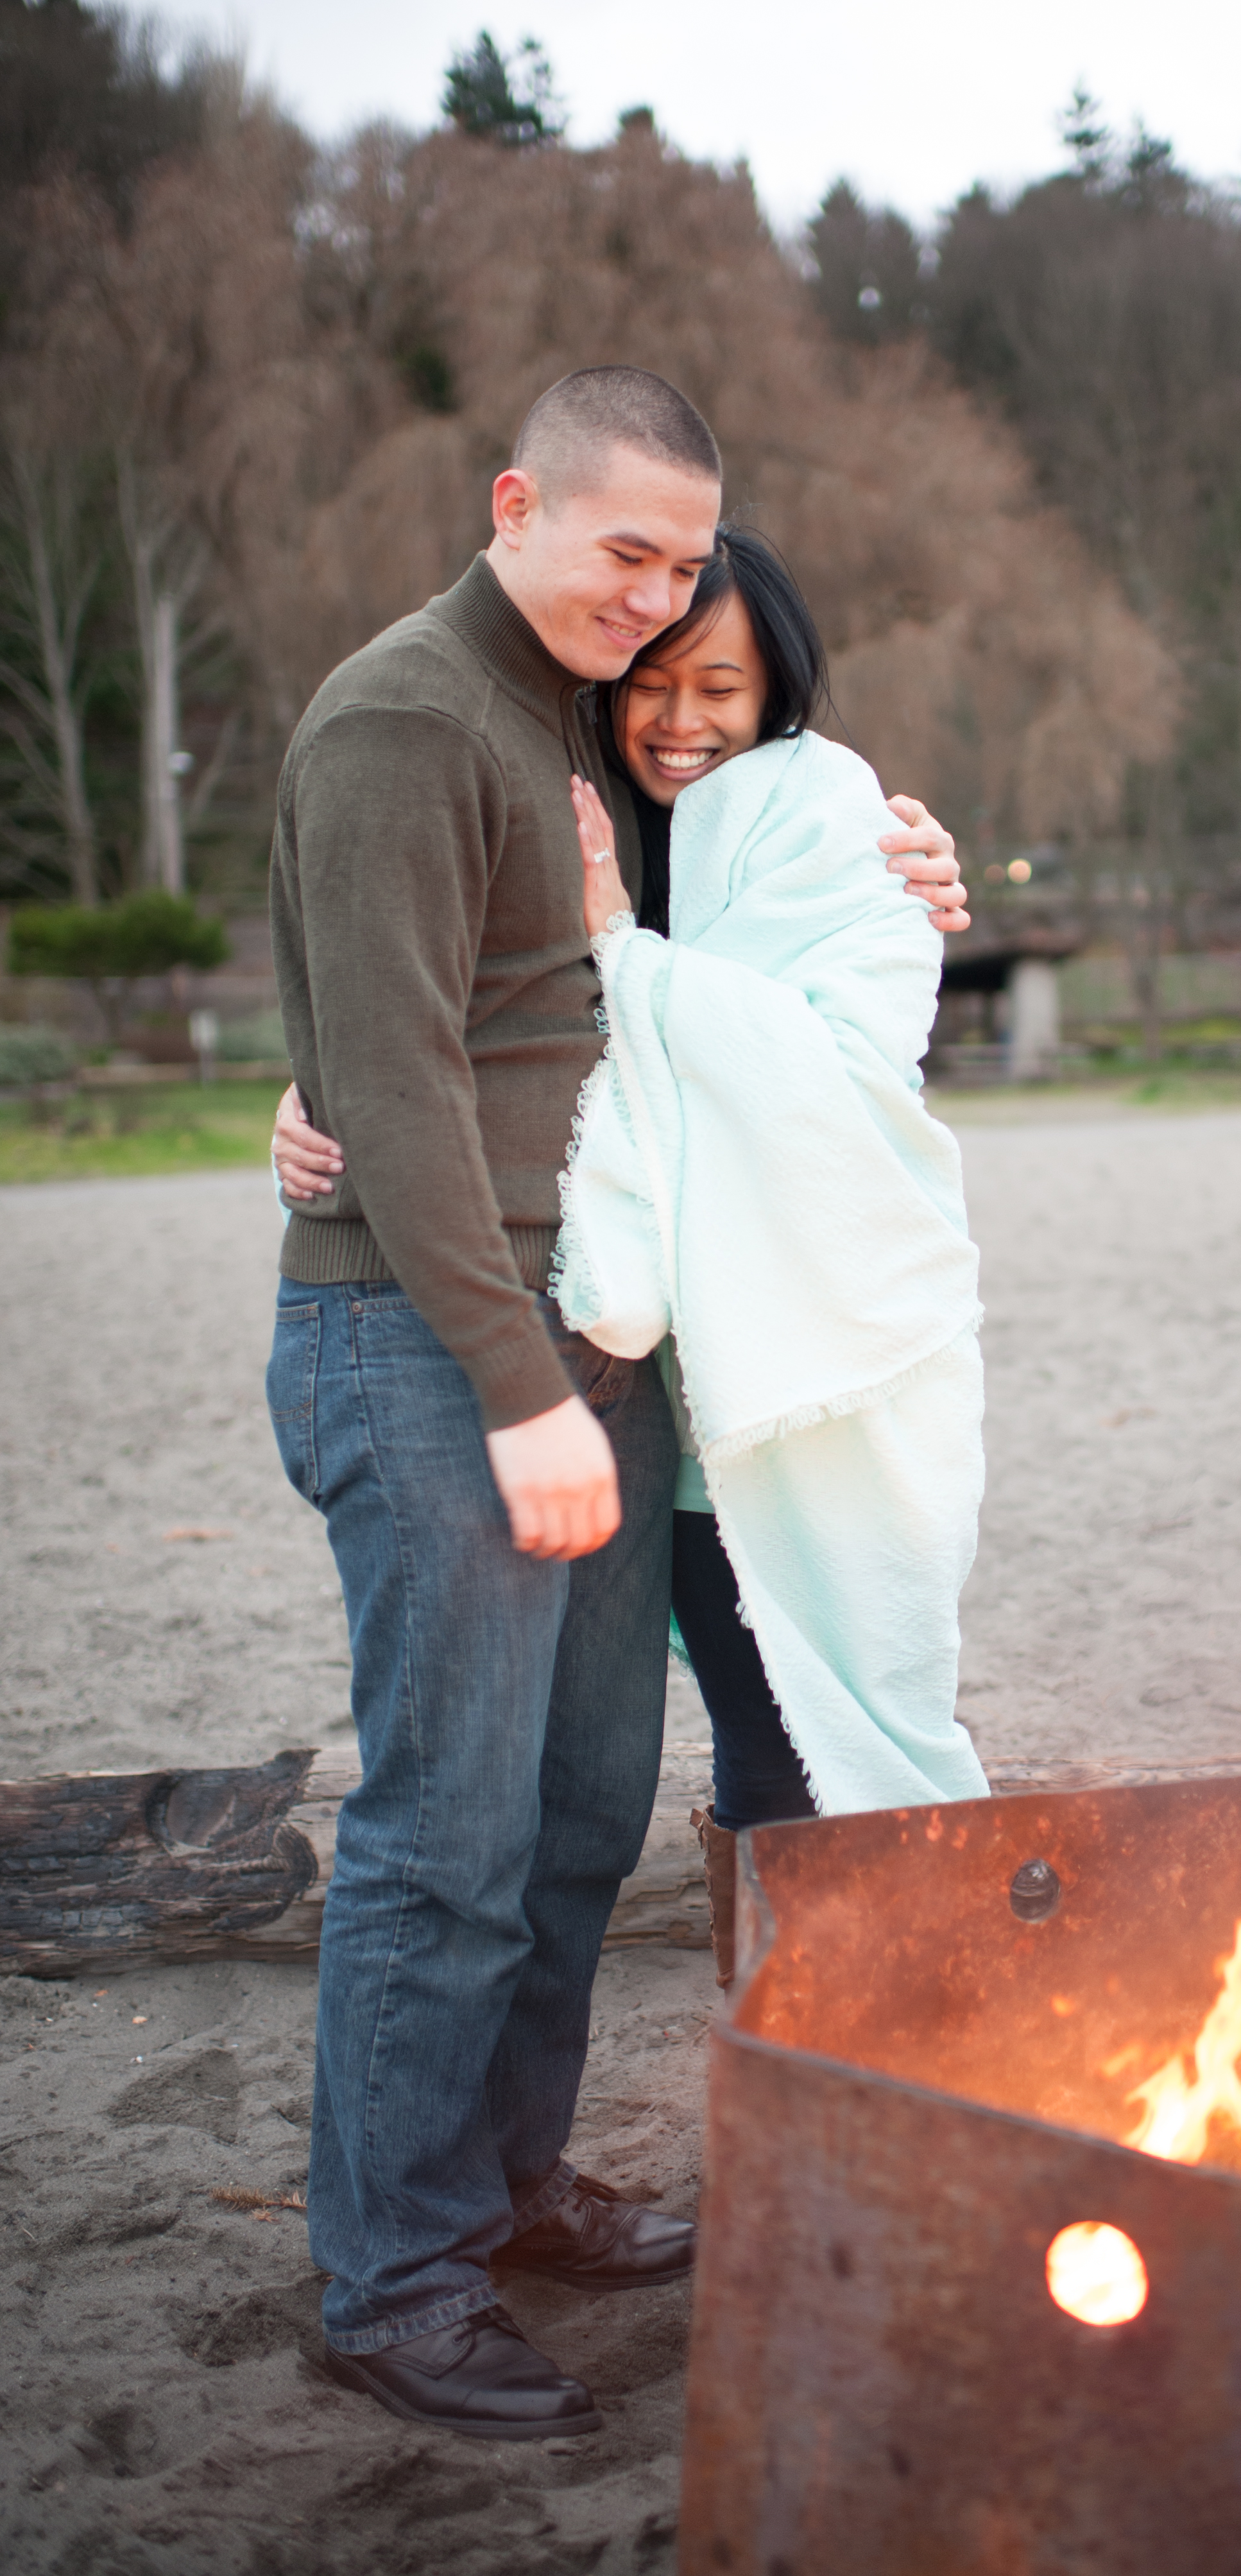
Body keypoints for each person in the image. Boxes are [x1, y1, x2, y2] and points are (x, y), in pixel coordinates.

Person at [265, 367, 968, 2445]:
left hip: (591, 1343)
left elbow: (702, 891)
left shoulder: (575, 702)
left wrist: (891, 838)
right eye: (624, 553)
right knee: (445, 1833)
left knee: (574, 1820)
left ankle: (502, 2184)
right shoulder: (407, 714)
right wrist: (518, 1388)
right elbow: (386, 1079)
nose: (653, 602)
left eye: (681, 567)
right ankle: (391, 2279)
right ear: (516, 502)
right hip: (437, 1344)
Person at [556, 527, 989, 1981]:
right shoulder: (565, 819)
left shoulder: (820, 831)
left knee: (821, 1707)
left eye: (721, 688)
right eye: (652, 684)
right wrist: (315, 1095)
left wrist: (623, 945)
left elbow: (830, 1070)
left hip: (795, 1362)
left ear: (777, 689)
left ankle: (865, 2038)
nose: (682, 722)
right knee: (743, 1725)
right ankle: (795, 2035)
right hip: (636, 1396)